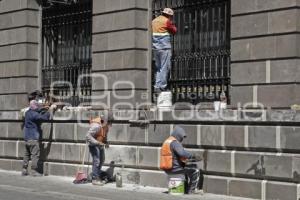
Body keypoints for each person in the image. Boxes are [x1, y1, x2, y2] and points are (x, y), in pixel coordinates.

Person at [160, 126, 203, 194]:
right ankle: (192, 190)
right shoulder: (175, 143)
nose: (182, 139)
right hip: (175, 168)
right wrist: (193, 156)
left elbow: (174, 156)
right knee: (195, 170)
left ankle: (185, 189)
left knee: (186, 169)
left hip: (168, 169)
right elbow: (182, 153)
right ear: (178, 135)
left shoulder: (167, 141)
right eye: (181, 137)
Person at [22, 100, 56, 176]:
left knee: (27, 154)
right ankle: (34, 171)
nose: (38, 107)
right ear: (35, 106)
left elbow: (36, 110)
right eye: (37, 105)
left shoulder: (27, 113)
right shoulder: (35, 115)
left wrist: (44, 108)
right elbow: (45, 118)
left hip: (27, 138)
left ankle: (24, 170)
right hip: (33, 138)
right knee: (35, 155)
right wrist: (50, 110)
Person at [152, 8, 177, 92]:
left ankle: (157, 86)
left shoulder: (154, 21)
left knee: (159, 67)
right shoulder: (166, 21)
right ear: (169, 15)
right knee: (164, 67)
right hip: (164, 47)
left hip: (155, 48)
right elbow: (174, 31)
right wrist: (173, 25)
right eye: (171, 16)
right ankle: (163, 86)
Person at [86, 112, 113, 186]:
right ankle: (95, 178)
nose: (110, 125)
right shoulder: (96, 126)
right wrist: (97, 142)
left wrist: (106, 142)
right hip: (93, 144)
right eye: (109, 122)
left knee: (102, 159)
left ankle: (96, 174)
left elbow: (104, 134)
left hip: (99, 143)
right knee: (97, 160)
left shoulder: (105, 126)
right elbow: (88, 136)